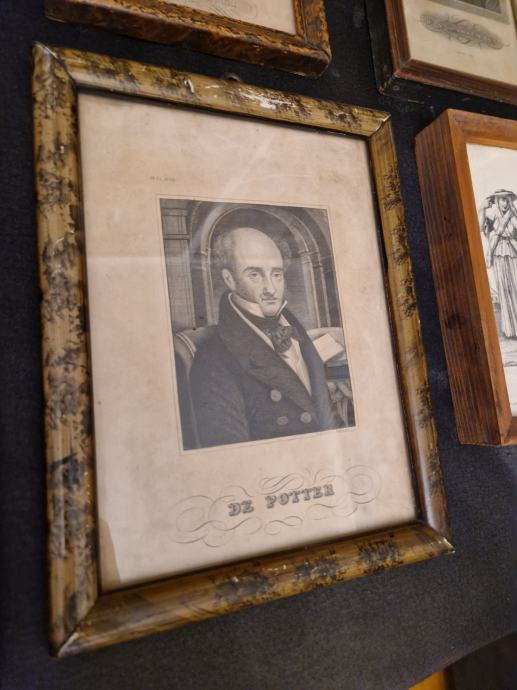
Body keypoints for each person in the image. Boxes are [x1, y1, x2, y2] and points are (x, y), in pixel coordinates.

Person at [189, 226, 344, 448]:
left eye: (276, 274)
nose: (271, 288)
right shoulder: (213, 359)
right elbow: (230, 456)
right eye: (255, 275)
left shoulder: (297, 332)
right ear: (229, 279)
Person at [480, 189, 517, 339]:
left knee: (515, 287)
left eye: (507, 199)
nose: (505, 203)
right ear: (497, 201)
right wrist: (482, 208)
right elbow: (480, 227)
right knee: (504, 290)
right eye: (502, 199)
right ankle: (510, 330)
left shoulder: (513, 215)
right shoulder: (491, 215)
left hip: (513, 252)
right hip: (497, 253)